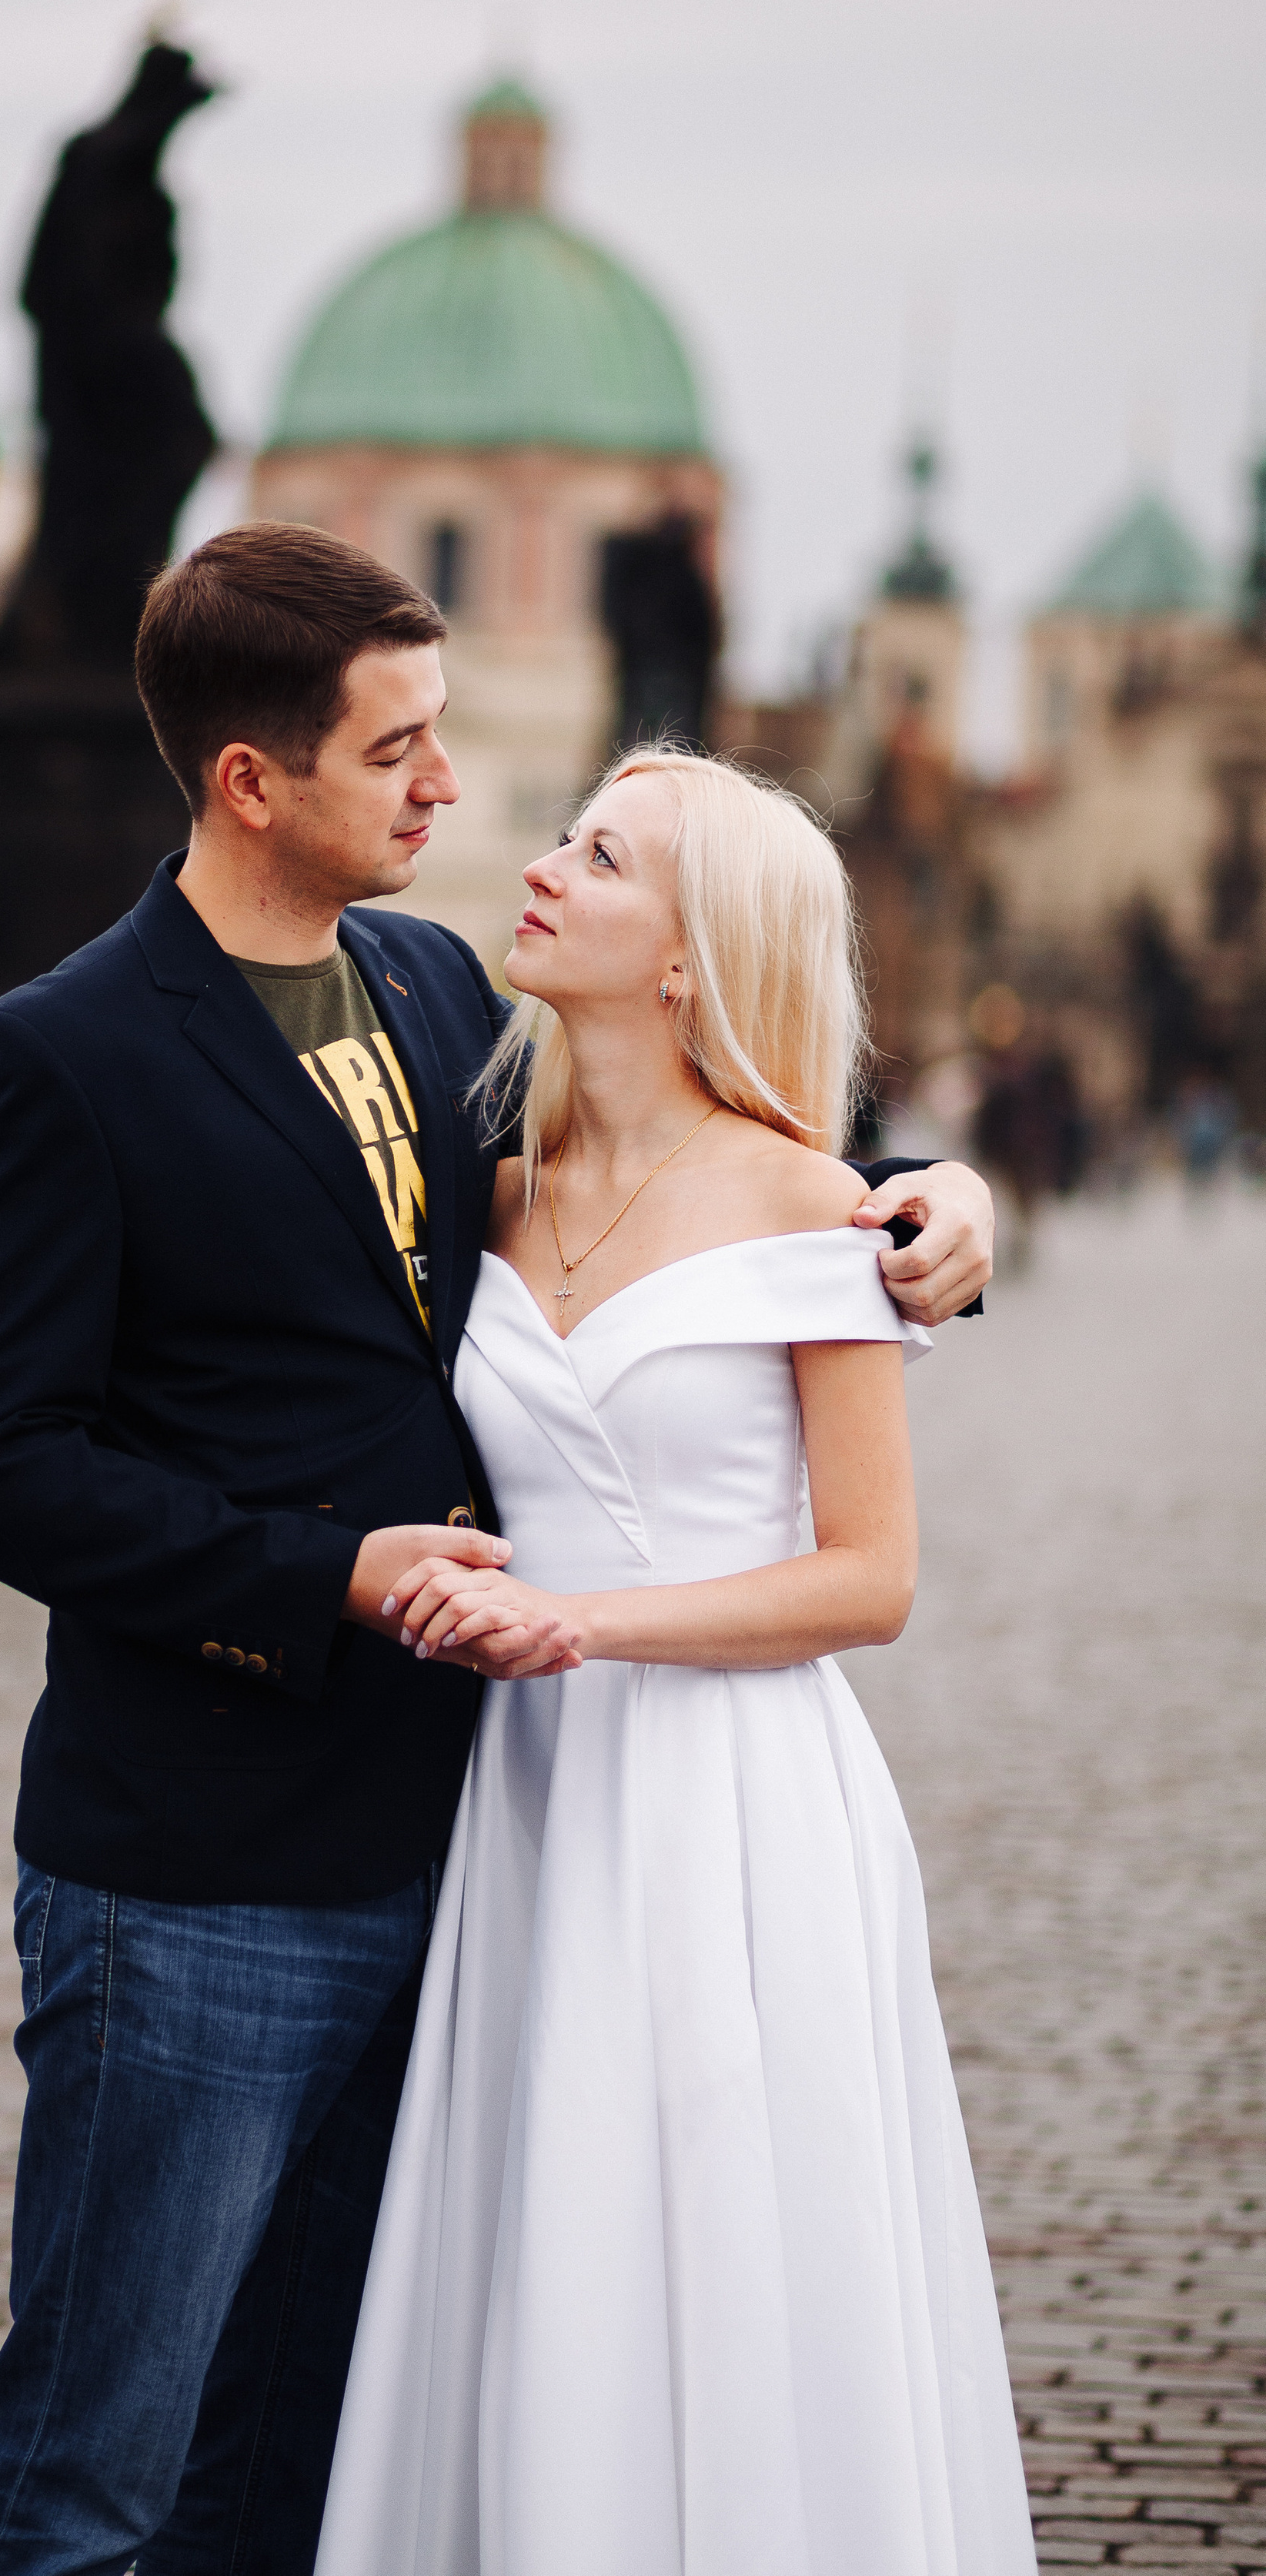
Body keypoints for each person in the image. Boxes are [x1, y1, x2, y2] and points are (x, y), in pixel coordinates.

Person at [0, 524, 996, 2576]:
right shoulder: (61, 1055)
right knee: (92, 2461)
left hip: (473, 1853)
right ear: (251, 780)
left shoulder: (423, 983)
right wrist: (320, 1577)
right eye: (398, 746)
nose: (445, 789)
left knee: (301, 2456)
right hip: (199, 1868)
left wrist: (939, 1196)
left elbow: (691, 1156)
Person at [312, 750, 1034, 2576]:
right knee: (535, 2233)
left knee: (722, 2239)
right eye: (562, 838)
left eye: (599, 856)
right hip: (528, 1801)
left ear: (688, 959)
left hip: (730, 1802)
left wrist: (582, 1625)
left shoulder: (812, 1207)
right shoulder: (486, 1194)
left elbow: (867, 1580)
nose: (542, 868)